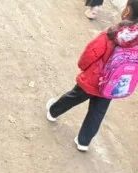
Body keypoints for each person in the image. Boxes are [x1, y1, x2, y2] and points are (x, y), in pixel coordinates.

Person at [46, 1, 138, 151]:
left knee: (74, 96)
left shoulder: (113, 33)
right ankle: (84, 141)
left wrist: (83, 66)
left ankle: (53, 111)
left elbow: (92, 51)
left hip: (94, 78)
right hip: (112, 84)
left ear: (127, 11)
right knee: (98, 112)